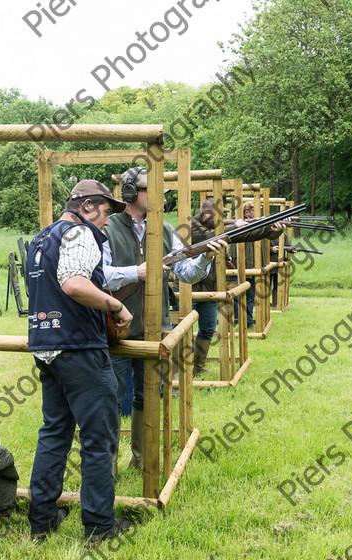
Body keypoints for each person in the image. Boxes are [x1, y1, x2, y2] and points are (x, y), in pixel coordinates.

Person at [26, 180, 134, 546]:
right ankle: (100, 527)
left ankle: (41, 521)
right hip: (80, 351)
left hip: (46, 348)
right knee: (99, 440)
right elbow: (73, 284)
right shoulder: (80, 233)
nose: (105, 222)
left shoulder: (41, 240)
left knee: (54, 435)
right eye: (105, 212)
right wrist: (116, 305)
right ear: (88, 206)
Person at [103, 167, 227, 470]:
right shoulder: (107, 227)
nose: (160, 198)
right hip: (115, 329)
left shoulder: (165, 229)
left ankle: (142, 464)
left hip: (155, 329)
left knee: (149, 399)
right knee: (109, 403)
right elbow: (97, 276)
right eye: (152, 191)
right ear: (130, 193)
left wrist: (206, 257)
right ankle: (104, 469)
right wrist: (137, 272)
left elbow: (186, 273)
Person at [191, 198, 285, 373]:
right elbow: (208, 238)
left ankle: (198, 366)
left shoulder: (214, 227)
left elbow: (244, 235)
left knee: (208, 328)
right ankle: (178, 372)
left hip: (210, 286)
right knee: (184, 332)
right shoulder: (192, 226)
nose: (223, 220)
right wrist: (236, 225)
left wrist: (269, 230)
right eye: (220, 217)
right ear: (205, 215)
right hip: (188, 286)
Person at [232, 201, 257, 329]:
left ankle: (248, 320)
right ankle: (243, 321)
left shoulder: (250, 225)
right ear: (247, 212)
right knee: (243, 296)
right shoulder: (238, 226)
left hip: (248, 265)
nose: (255, 212)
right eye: (253, 210)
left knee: (250, 296)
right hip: (239, 266)